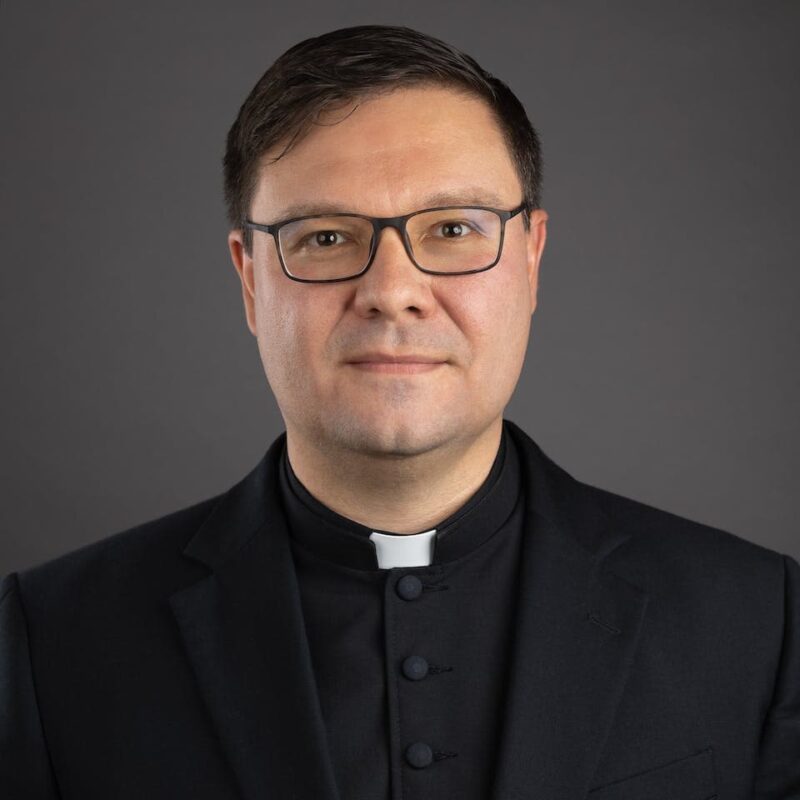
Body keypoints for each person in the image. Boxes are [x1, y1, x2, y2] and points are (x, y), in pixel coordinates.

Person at [1, 23, 797, 800]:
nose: (391, 291)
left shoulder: (760, 624)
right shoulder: (48, 641)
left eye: (452, 229)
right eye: (324, 237)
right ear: (250, 278)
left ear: (530, 259)